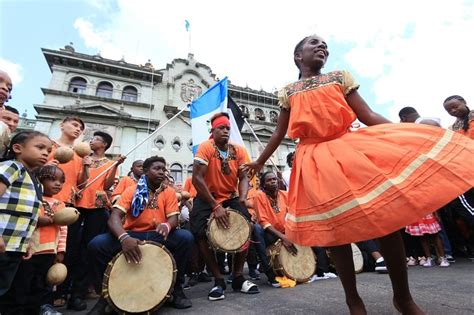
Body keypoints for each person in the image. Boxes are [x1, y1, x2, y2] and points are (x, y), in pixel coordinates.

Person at [244, 34, 474, 315]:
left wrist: (405, 134)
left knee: (386, 221)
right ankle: (353, 300)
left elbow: (367, 114)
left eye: (325, 46)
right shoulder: (288, 91)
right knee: (336, 233)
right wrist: (259, 162)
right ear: (297, 56)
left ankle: (403, 298)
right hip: (315, 161)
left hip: (350, 151)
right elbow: (279, 133)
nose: (322, 47)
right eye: (314, 43)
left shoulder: (340, 77)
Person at [87, 156, 193, 312]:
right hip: (132, 235)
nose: (162, 172)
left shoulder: (169, 192)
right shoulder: (131, 190)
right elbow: (114, 217)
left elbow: (173, 218)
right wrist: (124, 237)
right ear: (145, 171)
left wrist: (167, 225)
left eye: (164, 169)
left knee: (186, 238)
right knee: (96, 245)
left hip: (158, 235)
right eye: (157, 169)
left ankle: (176, 290)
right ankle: (105, 297)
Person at [191, 112, 259, 301]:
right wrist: (215, 206)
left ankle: (237, 276)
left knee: (247, 226)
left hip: (230, 196)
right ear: (212, 130)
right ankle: (218, 279)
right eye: (221, 128)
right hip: (207, 197)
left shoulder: (238, 150)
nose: (226, 131)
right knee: (199, 233)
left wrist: (243, 197)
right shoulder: (205, 147)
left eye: (228, 128)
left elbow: (244, 177)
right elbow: (197, 178)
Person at [64, 131, 125, 311]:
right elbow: (81, 183)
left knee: (87, 249)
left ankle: (78, 292)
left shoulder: (109, 163)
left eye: (96, 139)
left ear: (104, 145)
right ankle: (61, 290)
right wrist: (85, 166)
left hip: (97, 208)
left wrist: (115, 166)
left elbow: (106, 186)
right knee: (69, 247)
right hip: (76, 204)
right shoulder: (82, 158)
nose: (92, 141)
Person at [0, 131, 52, 314]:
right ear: (17, 148)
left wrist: (27, 242)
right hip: (2, 242)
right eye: (40, 147)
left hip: (15, 247)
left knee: (4, 290)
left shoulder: (35, 181)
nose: (46, 153)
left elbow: (28, 217)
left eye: (49, 150)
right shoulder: (11, 167)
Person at [8, 165, 68, 315]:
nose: (58, 184)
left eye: (61, 181)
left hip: (50, 251)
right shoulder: (34, 200)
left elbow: (63, 230)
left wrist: (61, 251)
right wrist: (38, 221)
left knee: (44, 283)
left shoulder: (61, 204)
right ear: (39, 180)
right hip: (31, 251)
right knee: (24, 283)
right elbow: (24, 222)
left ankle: (41, 308)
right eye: (52, 179)